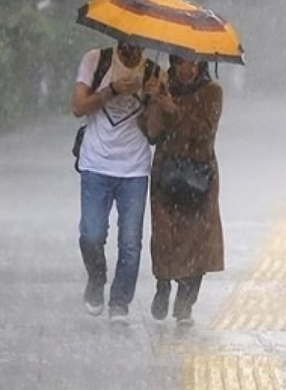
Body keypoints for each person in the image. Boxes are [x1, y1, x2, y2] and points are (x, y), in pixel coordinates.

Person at [71, 41, 164, 324]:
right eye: (128, 44)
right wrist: (111, 90)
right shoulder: (95, 59)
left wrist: (152, 100)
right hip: (96, 164)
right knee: (91, 234)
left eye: (139, 46)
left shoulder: (153, 71)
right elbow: (77, 107)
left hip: (134, 168)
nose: (133, 51)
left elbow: (155, 133)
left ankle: (120, 301)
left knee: (130, 241)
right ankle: (96, 278)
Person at [140, 54, 224, 327]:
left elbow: (204, 131)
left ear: (201, 64)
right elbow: (151, 134)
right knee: (164, 234)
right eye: (180, 62)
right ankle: (163, 284)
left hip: (199, 172)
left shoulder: (212, 92)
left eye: (191, 62)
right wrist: (152, 101)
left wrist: (173, 109)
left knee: (198, 241)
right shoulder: (163, 84)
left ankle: (185, 303)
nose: (185, 68)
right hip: (167, 171)